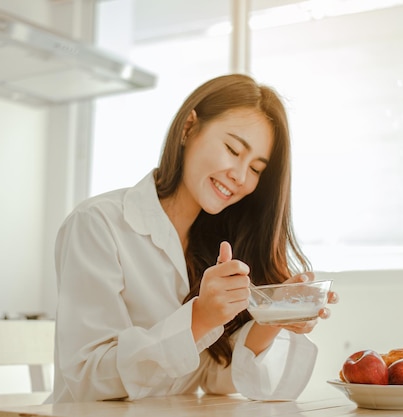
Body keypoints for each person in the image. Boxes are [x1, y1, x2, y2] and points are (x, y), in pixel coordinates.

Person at [51, 73, 338, 402]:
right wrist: (199, 318)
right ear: (189, 128)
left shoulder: (215, 245)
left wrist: (274, 317)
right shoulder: (98, 224)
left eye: (257, 168)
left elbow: (212, 376)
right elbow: (89, 378)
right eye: (232, 149)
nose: (241, 177)